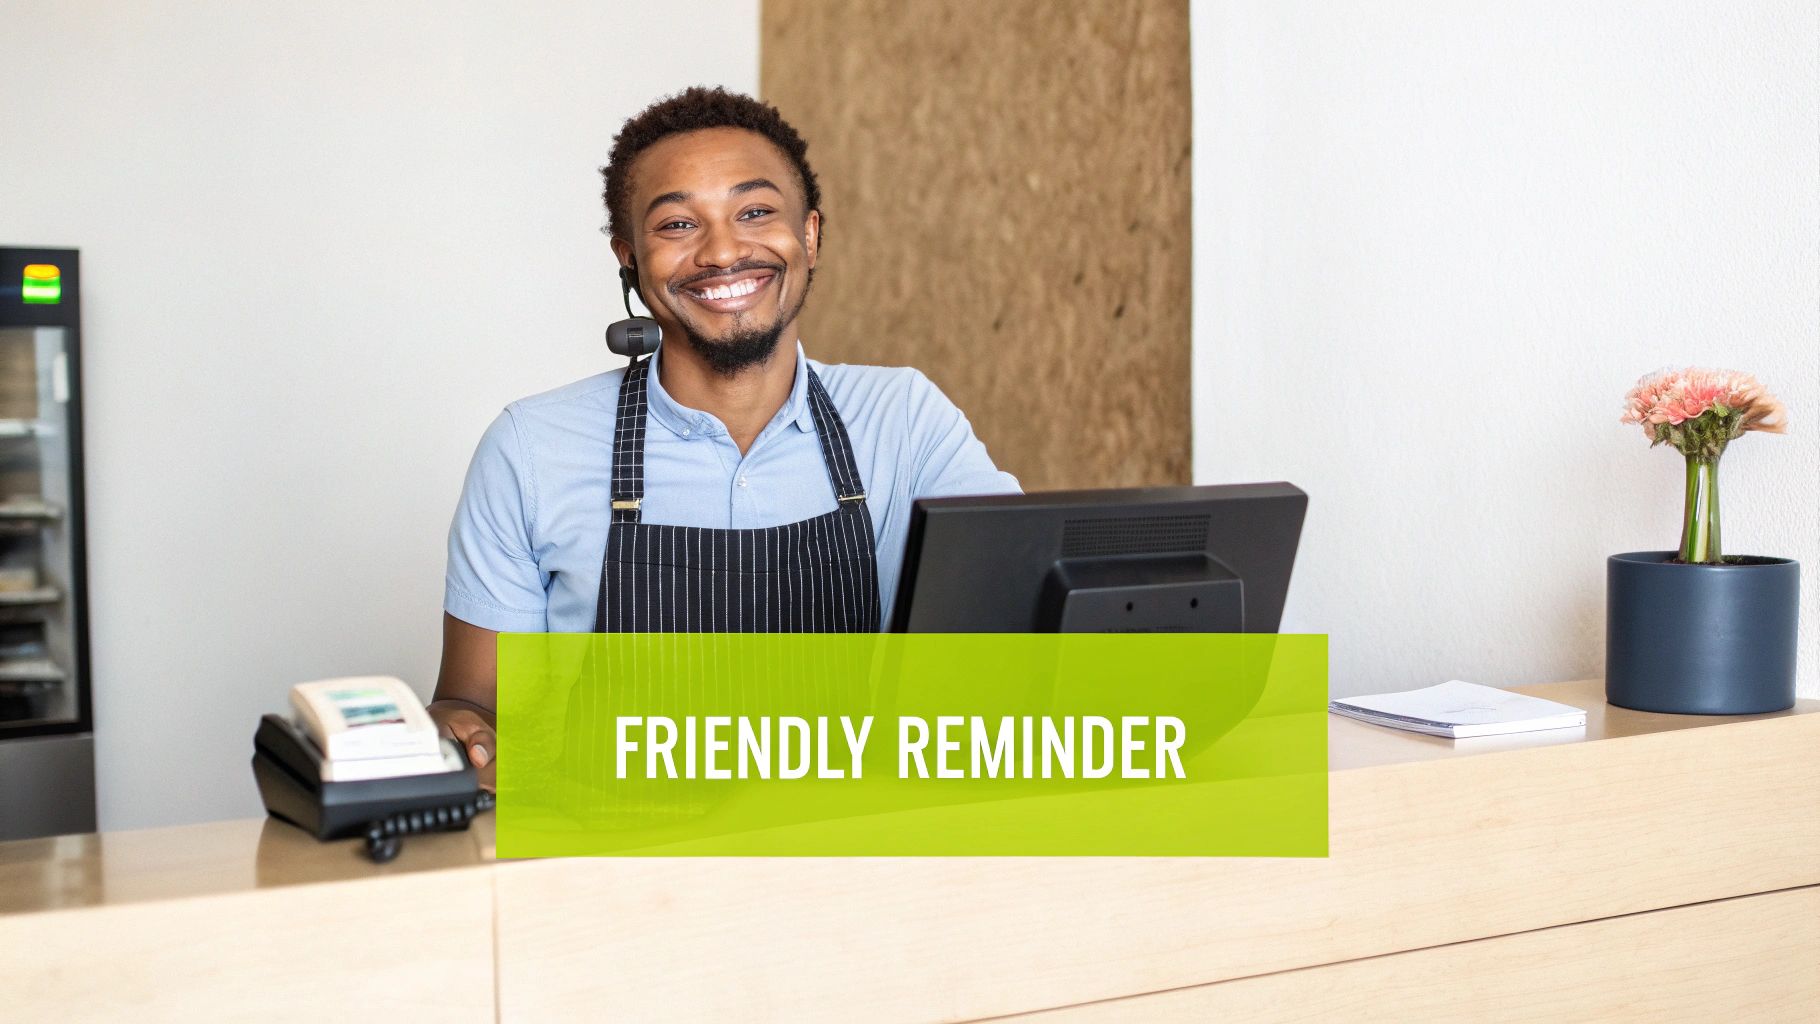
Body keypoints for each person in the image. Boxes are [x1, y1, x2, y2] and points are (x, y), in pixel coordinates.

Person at [429, 87, 1019, 787]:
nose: (723, 251)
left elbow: (1022, 636)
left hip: (854, 840)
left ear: (810, 235)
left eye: (755, 212)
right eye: (678, 224)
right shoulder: (530, 449)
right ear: (630, 259)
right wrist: (455, 734)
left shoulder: (906, 421)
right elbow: (474, 707)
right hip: (611, 849)